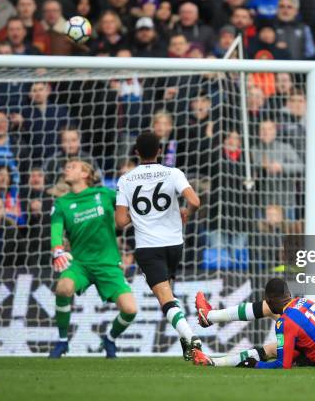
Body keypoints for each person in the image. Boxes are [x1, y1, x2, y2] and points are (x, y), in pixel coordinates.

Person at [115, 132, 202, 360]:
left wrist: (139, 215)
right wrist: (186, 212)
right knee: (168, 293)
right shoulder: (173, 173)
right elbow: (194, 201)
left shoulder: (125, 180)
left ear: (136, 152)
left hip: (148, 246)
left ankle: (190, 336)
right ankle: (185, 340)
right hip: (175, 244)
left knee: (165, 298)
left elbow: (120, 221)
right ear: (160, 151)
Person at [48, 159, 137, 359]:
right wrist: (58, 250)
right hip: (80, 264)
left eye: (73, 166)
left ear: (85, 174)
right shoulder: (61, 204)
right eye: (67, 166)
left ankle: (110, 338)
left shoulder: (104, 194)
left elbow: (130, 205)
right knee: (63, 287)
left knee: (130, 310)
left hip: (108, 264)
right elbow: (55, 234)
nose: (66, 168)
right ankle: (62, 341)